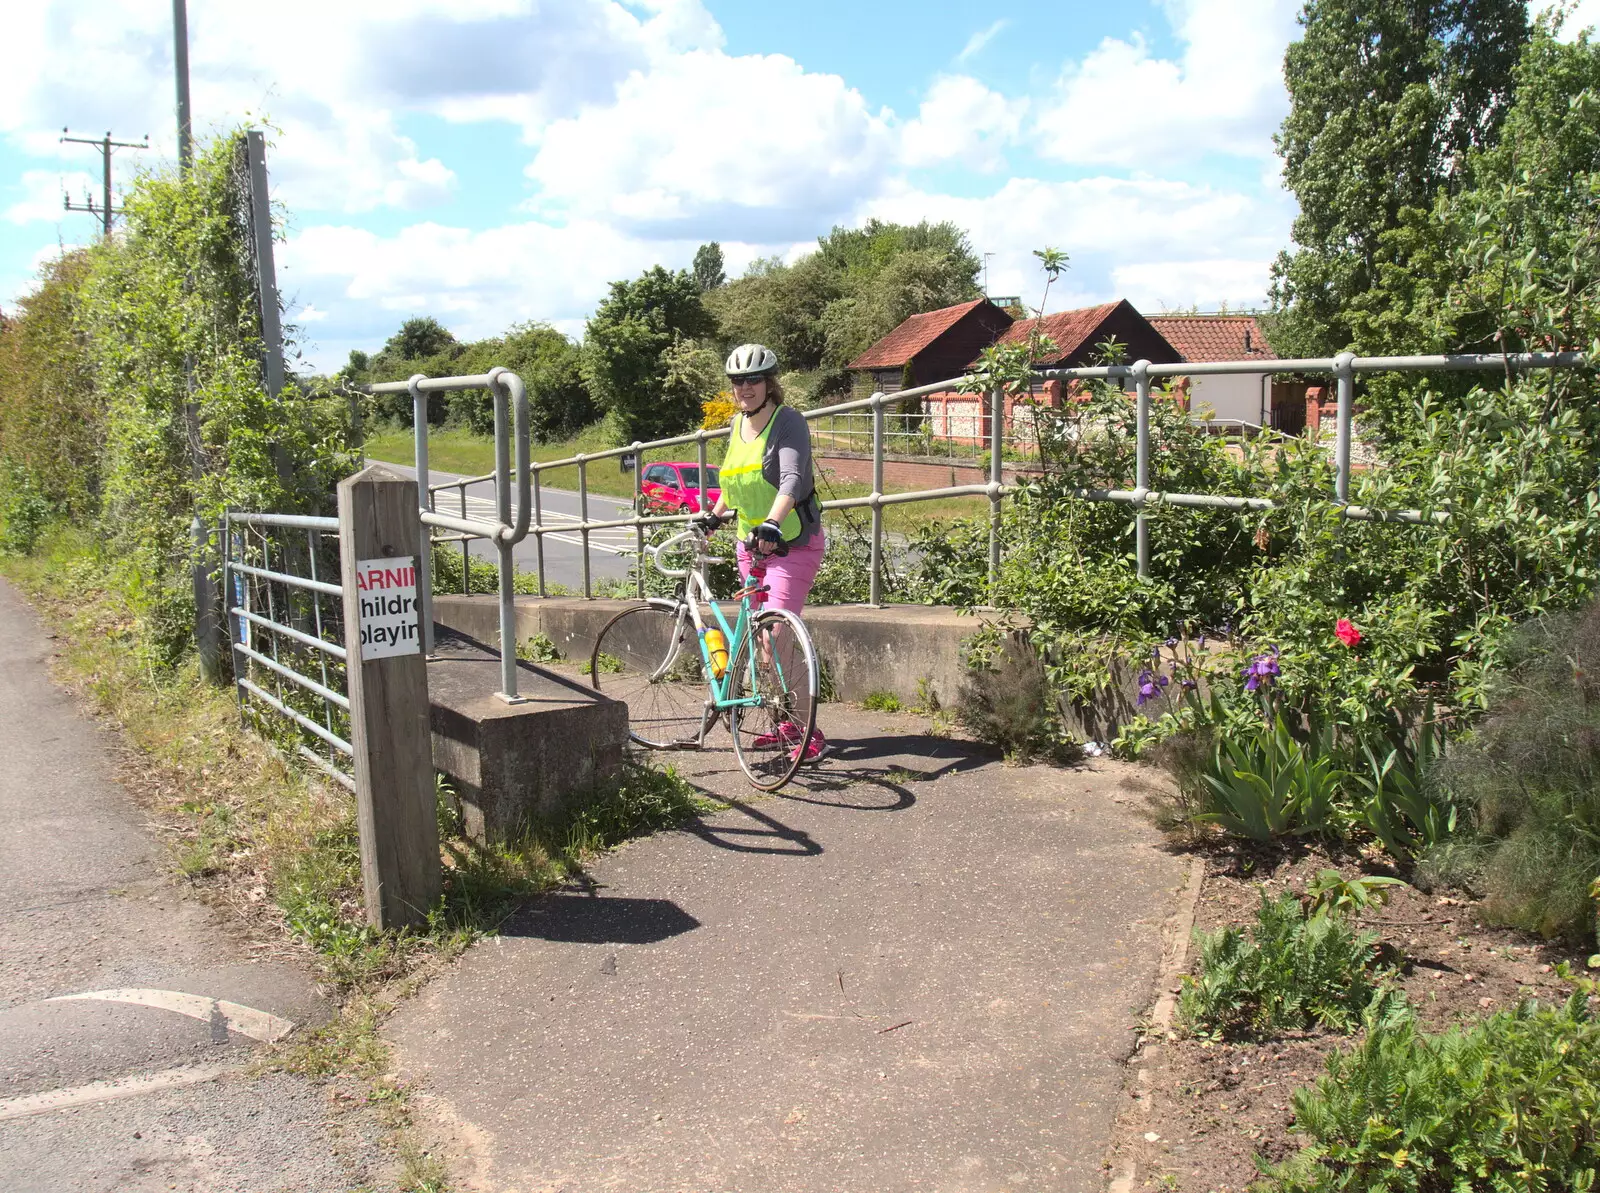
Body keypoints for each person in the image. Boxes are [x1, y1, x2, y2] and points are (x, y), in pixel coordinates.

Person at [696, 343, 829, 762]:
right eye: (738, 381)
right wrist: (714, 516)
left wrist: (771, 522)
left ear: (770, 383)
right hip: (749, 546)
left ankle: (810, 735)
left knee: (775, 636)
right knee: (762, 642)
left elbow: (791, 479)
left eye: (754, 379)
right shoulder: (736, 426)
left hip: (790, 542)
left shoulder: (788, 423)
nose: (745, 387)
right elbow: (734, 485)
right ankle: (789, 724)